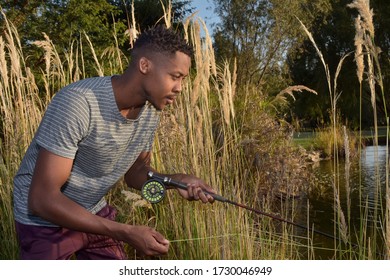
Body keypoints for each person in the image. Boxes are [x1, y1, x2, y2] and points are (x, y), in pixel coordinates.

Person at [12, 25, 215, 260]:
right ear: (145, 65)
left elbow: (136, 173)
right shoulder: (78, 103)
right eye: (175, 76)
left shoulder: (151, 111)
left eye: (183, 79)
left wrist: (176, 181)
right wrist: (126, 232)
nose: (179, 88)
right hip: (44, 221)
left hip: (93, 211)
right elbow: (42, 199)